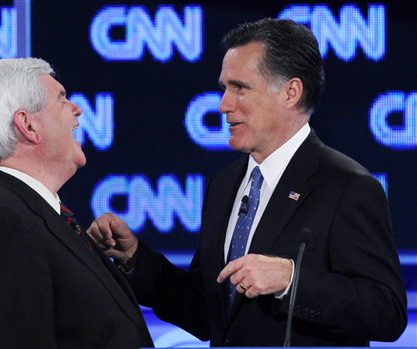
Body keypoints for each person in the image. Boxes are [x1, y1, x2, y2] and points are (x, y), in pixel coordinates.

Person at [87, 18, 407, 346]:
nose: (224, 105)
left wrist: (290, 280)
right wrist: (135, 258)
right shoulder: (225, 185)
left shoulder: (346, 186)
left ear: (290, 93)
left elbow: (386, 312)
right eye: (224, 88)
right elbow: (207, 312)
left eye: (240, 88)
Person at [0, 58, 153, 349]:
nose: (77, 109)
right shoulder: (2, 222)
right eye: (62, 98)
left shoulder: (34, 213)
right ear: (27, 125)